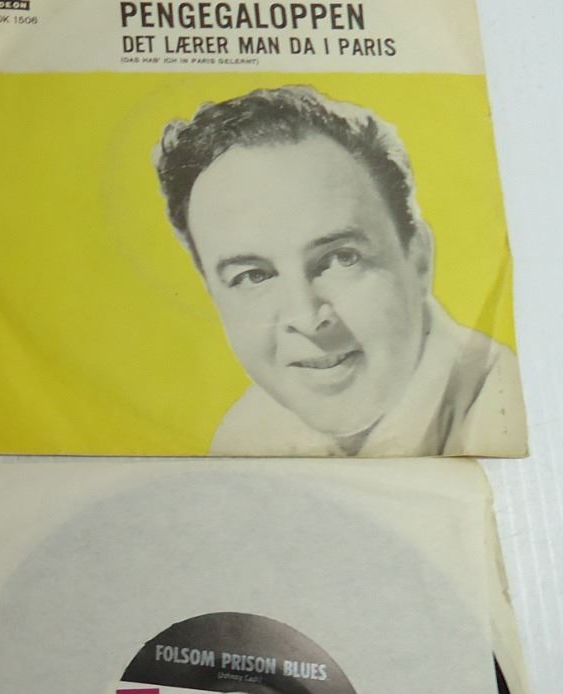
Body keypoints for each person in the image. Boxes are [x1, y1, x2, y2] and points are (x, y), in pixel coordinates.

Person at [155, 85, 523, 456]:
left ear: (418, 256)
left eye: (341, 258)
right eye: (254, 276)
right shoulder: (246, 433)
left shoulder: (505, 413)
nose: (306, 318)